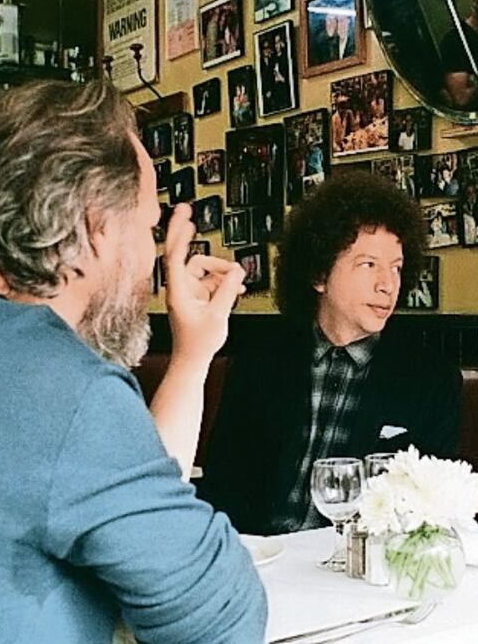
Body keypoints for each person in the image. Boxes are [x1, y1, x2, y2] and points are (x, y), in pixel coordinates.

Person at [0, 81, 266, 641]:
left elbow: (125, 506)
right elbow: (224, 619)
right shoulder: (57, 385)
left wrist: (192, 355)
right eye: (147, 226)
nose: (147, 264)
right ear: (94, 222)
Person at [198, 172, 462, 535]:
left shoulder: (430, 378)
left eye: (397, 268)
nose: (388, 285)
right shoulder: (261, 362)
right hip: (262, 561)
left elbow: (433, 513)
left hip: (356, 573)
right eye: (368, 264)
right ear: (320, 273)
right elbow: (221, 485)